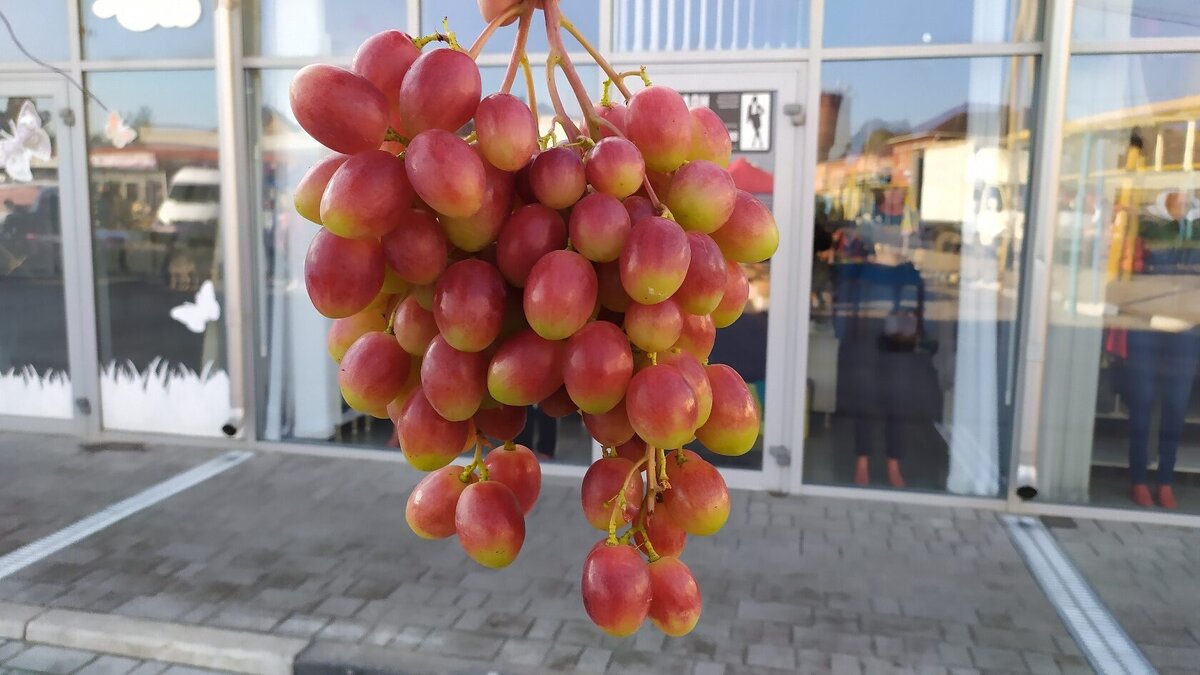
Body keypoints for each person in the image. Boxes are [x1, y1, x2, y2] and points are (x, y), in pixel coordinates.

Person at [1115, 190, 1200, 509]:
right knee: (1142, 403)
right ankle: (1138, 480)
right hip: (1144, 326)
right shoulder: (1144, 220)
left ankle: (1165, 481)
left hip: (1187, 328)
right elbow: (1124, 270)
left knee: (1176, 406)